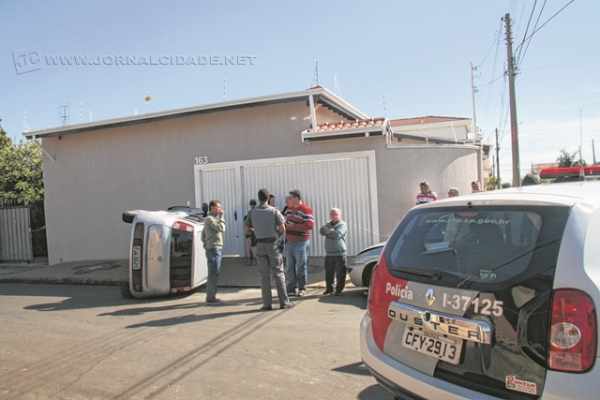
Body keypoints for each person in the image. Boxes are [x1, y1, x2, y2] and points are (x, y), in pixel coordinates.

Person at [245, 188, 293, 310]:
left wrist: (255, 231)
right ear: (268, 198)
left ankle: (267, 304)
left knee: (264, 276)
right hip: (273, 244)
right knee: (278, 273)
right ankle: (284, 302)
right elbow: (282, 229)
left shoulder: (252, 212)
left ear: (258, 198)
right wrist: (277, 236)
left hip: (259, 245)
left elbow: (247, 229)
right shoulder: (274, 211)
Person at [284, 189, 314, 297]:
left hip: (301, 242)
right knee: (289, 266)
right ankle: (291, 288)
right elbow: (285, 222)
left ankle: (302, 288)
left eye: (291, 197)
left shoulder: (306, 209)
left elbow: (310, 225)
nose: (289, 199)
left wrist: (294, 226)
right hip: (289, 242)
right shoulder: (288, 210)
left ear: (297, 198)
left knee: (301, 266)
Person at [201, 200, 226, 304]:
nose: (220, 209)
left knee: (215, 273)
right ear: (212, 208)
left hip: (215, 248)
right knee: (213, 273)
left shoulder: (212, 219)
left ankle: (211, 296)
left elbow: (203, 235)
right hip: (214, 249)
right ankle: (211, 297)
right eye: (218, 207)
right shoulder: (210, 219)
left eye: (220, 207)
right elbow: (221, 228)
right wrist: (222, 217)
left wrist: (206, 244)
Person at [319, 208, 348, 296]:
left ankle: (339, 290)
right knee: (329, 273)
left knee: (340, 273)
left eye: (335, 214)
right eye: (332, 214)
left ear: (340, 215)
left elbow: (337, 235)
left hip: (340, 253)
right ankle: (329, 289)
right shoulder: (328, 224)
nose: (333, 216)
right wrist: (330, 231)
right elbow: (321, 231)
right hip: (329, 253)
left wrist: (328, 231)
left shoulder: (343, 224)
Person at [244, 199, 258, 265]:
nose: (252, 206)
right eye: (252, 205)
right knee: (253, 246)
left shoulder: (250, 212)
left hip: (252, 231)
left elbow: (246, 222)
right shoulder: (257, 211)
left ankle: (253, 260)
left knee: (252, 246)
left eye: (252, 204)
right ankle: (253, 260)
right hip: (253, 231)